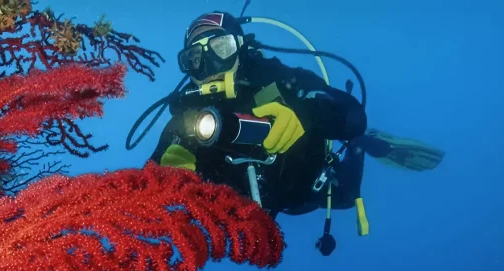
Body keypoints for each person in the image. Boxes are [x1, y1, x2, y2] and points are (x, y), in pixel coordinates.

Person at [149, 10, 444, 255]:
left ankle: (363, 146)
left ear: (241, 47)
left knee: (344, 194)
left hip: (309, 186)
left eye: (221, 49)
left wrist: (305, 114)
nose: (209, 65)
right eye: (195, 59)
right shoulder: (186, 123)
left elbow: (353, 116)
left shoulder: (281, 82)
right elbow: (145, 191)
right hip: (262, 207)